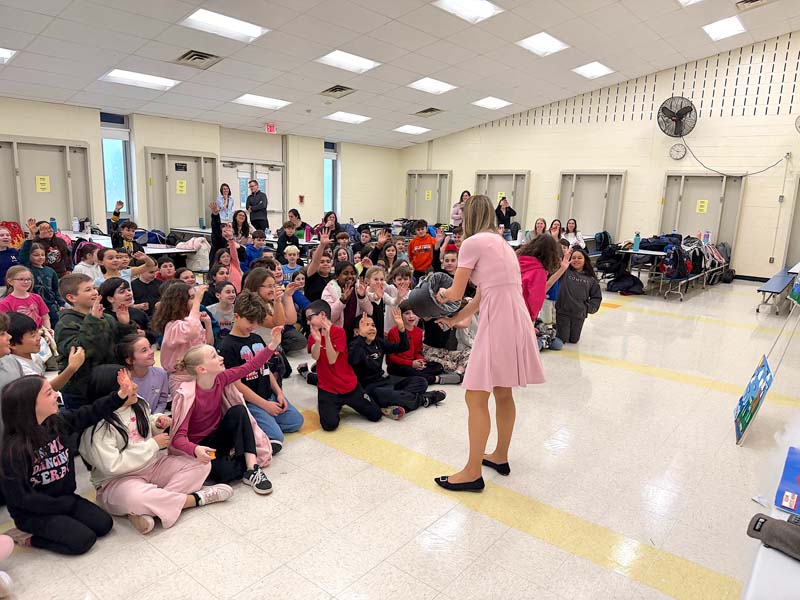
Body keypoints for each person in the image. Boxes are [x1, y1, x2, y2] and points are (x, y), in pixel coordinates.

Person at [434, 194, 544, 492]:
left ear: (466, 217)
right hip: (514, 316)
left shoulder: (471, 243)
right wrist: (457, 319)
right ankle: (499, 456)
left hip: (498, 321)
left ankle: (471, 472)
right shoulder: (500, 242)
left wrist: (437, 299)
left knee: (475, 395)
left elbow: (456, 291)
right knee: (502, 391)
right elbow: (483, 293)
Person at [79, 365, 232, 535]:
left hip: (153, 465)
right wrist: (153, 445)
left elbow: (145, 425)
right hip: (117, 479)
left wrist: (157, 423)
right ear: (111, 392)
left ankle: (148, 509)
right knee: (136, 497)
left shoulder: (138, 402)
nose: (135, 386)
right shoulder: (98, 428)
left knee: (201, 464)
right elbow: (112, 465)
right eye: (129, 384)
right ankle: (196, 499)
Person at [0, 371, 132, 554]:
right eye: (48, 393)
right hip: (34, 513)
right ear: (30, 406)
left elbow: (90, 412)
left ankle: (63, 521)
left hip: (65, 499)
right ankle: (28, 537)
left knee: (104, 525)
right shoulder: (13, 451)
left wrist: (120, 396)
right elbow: (22, 498)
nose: (56, 395)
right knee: (82, 541)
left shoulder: (57, 423)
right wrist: (63, 505)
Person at [169, 333, 281, 493]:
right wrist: (195, 450)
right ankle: (252, 452)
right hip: (203, 446)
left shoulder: (221, 378)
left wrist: (272, 344)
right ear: (202, 369)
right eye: (214, 356)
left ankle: (252, 468)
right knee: (225, 475)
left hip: (220, 435)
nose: (220, 357)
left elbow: (250, 366)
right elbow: (178, 438)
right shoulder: (187, 395)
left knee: (239, 411)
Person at [219, 291, 304, 453]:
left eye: (256, 322)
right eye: (249, 321)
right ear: (236, 317)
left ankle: (263, 422)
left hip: (267, 394)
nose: (253, 326)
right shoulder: (227, 346)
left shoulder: (256, 339)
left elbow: (266, 369)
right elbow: (236, 384)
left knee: (296, 422)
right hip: (250, 402)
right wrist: (264, 405)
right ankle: (254, 424)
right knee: (277, 439)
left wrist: (279, 393)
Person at [55, 274, 138, 408]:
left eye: (94, 288)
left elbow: (121, 348)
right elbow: (80, 352)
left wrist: (125, 326)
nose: (95, 292)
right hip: (81, 389)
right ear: (71, 297)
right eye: (88, 290)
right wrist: (93, 321)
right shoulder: (65, 323)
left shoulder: (106, 318)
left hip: (108, 383)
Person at [349, 310, 445, 420]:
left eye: (373, 325)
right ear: (357, 332)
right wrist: (361, 337)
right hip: (370, 388)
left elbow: (403, 347)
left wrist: (401, 328)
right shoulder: (354, 346)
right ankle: (424, 399)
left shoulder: (378, 342)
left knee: (421, 382)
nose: (371, 328)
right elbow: (353, 360)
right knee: (389, 395)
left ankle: (397, 403)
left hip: (385, 381)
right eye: (366, 325)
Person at [304, 300, 381, 431]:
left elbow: (332, 359)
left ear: (322, 315)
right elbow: (315, 356)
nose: (307, 322)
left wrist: (326, 337)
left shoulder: (339, 332)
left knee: (375, 415)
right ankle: (331, 404)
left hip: (348, 385)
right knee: (329, 426)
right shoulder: (314, 333)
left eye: (309, 318)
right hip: (327, 388)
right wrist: (318, 341)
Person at [386, 302, 460, 385]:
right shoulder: (393, 332)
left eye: (414, 313)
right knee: (406, 370)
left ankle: (418, 376)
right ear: (401, 315)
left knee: (438, 366)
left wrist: (421, 361)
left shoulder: (418, 331)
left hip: (413, 363)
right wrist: (411, 364)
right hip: (398, 365)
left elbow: (418, 351)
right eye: (407, 313)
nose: (411, 316)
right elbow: (391, 357)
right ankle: (437, 379)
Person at [152, 283, 214, 379]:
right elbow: (190, 331)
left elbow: (208, 345)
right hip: (180, 377)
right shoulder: (172, 326)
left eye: (195, 297)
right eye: (192, 298)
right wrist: (197, 300)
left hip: (197, 374)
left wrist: (208, 323)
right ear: (179, 302)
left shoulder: (191, 322)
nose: (196, 302)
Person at [7, 312, 84, 387]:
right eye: (33, 335)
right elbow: (45, 388)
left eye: (38, 332)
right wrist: (72, 368)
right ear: (12, 344)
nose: (39, 337)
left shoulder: (34, 356)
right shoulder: (19, 366)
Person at [518, 234, 569, 323]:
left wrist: (562, 269)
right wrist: (531, 320)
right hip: (522, 314)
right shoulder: (538, 271)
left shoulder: (518, 260)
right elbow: (535, 300)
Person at [555, 248, 602, 344]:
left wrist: (588, 308)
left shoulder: (591, 279)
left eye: (579, 258)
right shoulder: (564, 271)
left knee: (574, 340)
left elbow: (596, 297)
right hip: (563, 311)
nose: (576, 260)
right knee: (563, 339)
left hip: (579, 313)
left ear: (585, 260)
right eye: (574, 258)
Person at [116, 334, 169, 415]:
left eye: (150, 347)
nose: (151, 352)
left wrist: (155, 418)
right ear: (130, 360)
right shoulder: (123, 381)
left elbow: (162, 401)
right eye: (144, 350)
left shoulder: (161, 374)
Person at [321, 261, 371, 343]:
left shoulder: (359, 287)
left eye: (352, 273)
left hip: (356, 334)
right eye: (345, 273)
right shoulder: (329, 290)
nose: (350, 276)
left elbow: (370, 311)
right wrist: (342, 301)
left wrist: (362, 297)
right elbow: (329, 318)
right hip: (337, 335)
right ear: (337, 276)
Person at [23, 243, 64, 327]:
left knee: (54, 325)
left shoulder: (50, 271)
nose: (40, 257)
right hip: (34, 305)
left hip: (51, 305)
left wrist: (61, 304)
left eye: (43, 255)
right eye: (36, 255)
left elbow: (55, 289)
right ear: (29, 256)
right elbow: (23, 254)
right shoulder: (27, 269)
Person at [0, 227, 19, 294]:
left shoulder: (14, 252)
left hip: (14, 286)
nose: (6, 237)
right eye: (1, 235)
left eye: (8, 235)